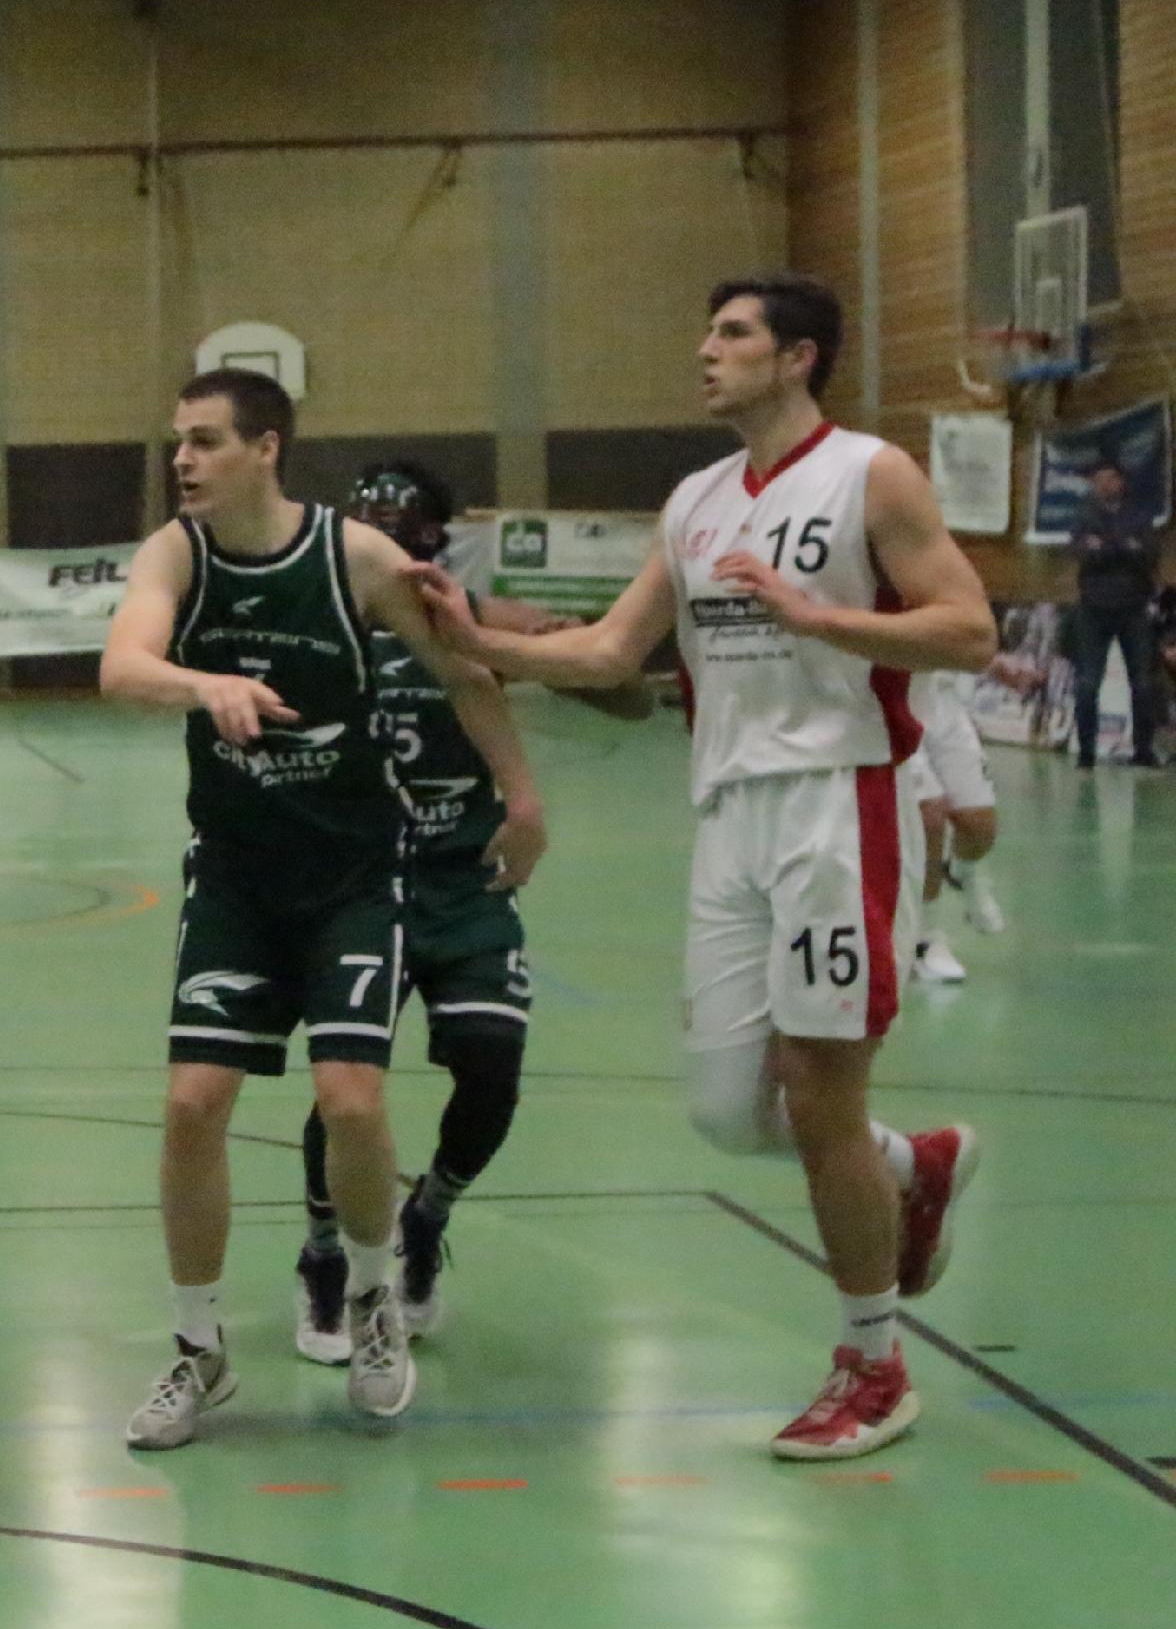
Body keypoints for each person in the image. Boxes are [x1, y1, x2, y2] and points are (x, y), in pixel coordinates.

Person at [410, 272, 991, 1461]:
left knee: (821, 1093)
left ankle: (874, 1362)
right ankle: (909, 1167)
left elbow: (968, 628)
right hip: (728, 815)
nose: (706, 350)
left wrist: (826, 619)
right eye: (709, 329)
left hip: (839, 801)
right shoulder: (695, 499)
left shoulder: (870, 473)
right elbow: (617, 649)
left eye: (733, 334)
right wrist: (481, 643)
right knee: (729, 1109)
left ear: (800, 357)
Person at [100, 371, 546, 1448]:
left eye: (205, 442)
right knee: (193, 1104)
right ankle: (198, 1350)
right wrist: (203, 686)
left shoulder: (358, 557)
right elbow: (122, 664)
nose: (184, 461)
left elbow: (464, 671)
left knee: (350, 1099)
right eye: (178, 443)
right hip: (238, 873)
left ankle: (371, 1294)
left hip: (354, 873)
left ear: (267, 448)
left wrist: (521, 794)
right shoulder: (179, 551)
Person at [288, 461, 644, 1363]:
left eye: (399, 517)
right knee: (347, 1090)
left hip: (462, 875)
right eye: (364, 513)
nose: (380, 529)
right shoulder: (319, 615)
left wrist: (530, 647)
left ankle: (428, 1214)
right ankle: (323, 1253)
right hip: (355, 879)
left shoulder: (477, 615)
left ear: (437, 538)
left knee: (491, 1065)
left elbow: (631, 699)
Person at [903, 661, 1004, 985]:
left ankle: (963, 872)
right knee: (929, 816)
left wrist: (990, 660)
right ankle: (925, 939)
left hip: (944, 699)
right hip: (893, 694)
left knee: (980, 826)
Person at [1066, 461, 1161, 767]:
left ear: (1121, 482)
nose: (1104, 485)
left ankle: (1143, 751)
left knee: (1143, 684)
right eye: (1098, 480)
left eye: (1110, 479)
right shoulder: (1084, 515)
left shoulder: (1139, 514)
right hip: (1093, 609)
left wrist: (1105, 547)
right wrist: (1122, 546)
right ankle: (1086, 752)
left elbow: (1147, 555)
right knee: (1087, 683)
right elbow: (1082, 553)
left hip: (1133, 609)